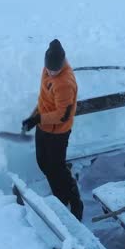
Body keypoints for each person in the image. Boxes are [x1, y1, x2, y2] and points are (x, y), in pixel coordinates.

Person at [21, 39, 83, 220]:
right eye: (49, 68)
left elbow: (63, 115)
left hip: (58, 132)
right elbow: (44, 99)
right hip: (44, 126)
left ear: (61, 64)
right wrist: (34, 116)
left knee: (56, 168)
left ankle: (71, 200)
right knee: (44, 163)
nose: (51, 72)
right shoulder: (48, 70)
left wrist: (38, 119)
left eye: (55, 69)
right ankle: (60, 195)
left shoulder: (64, 83)